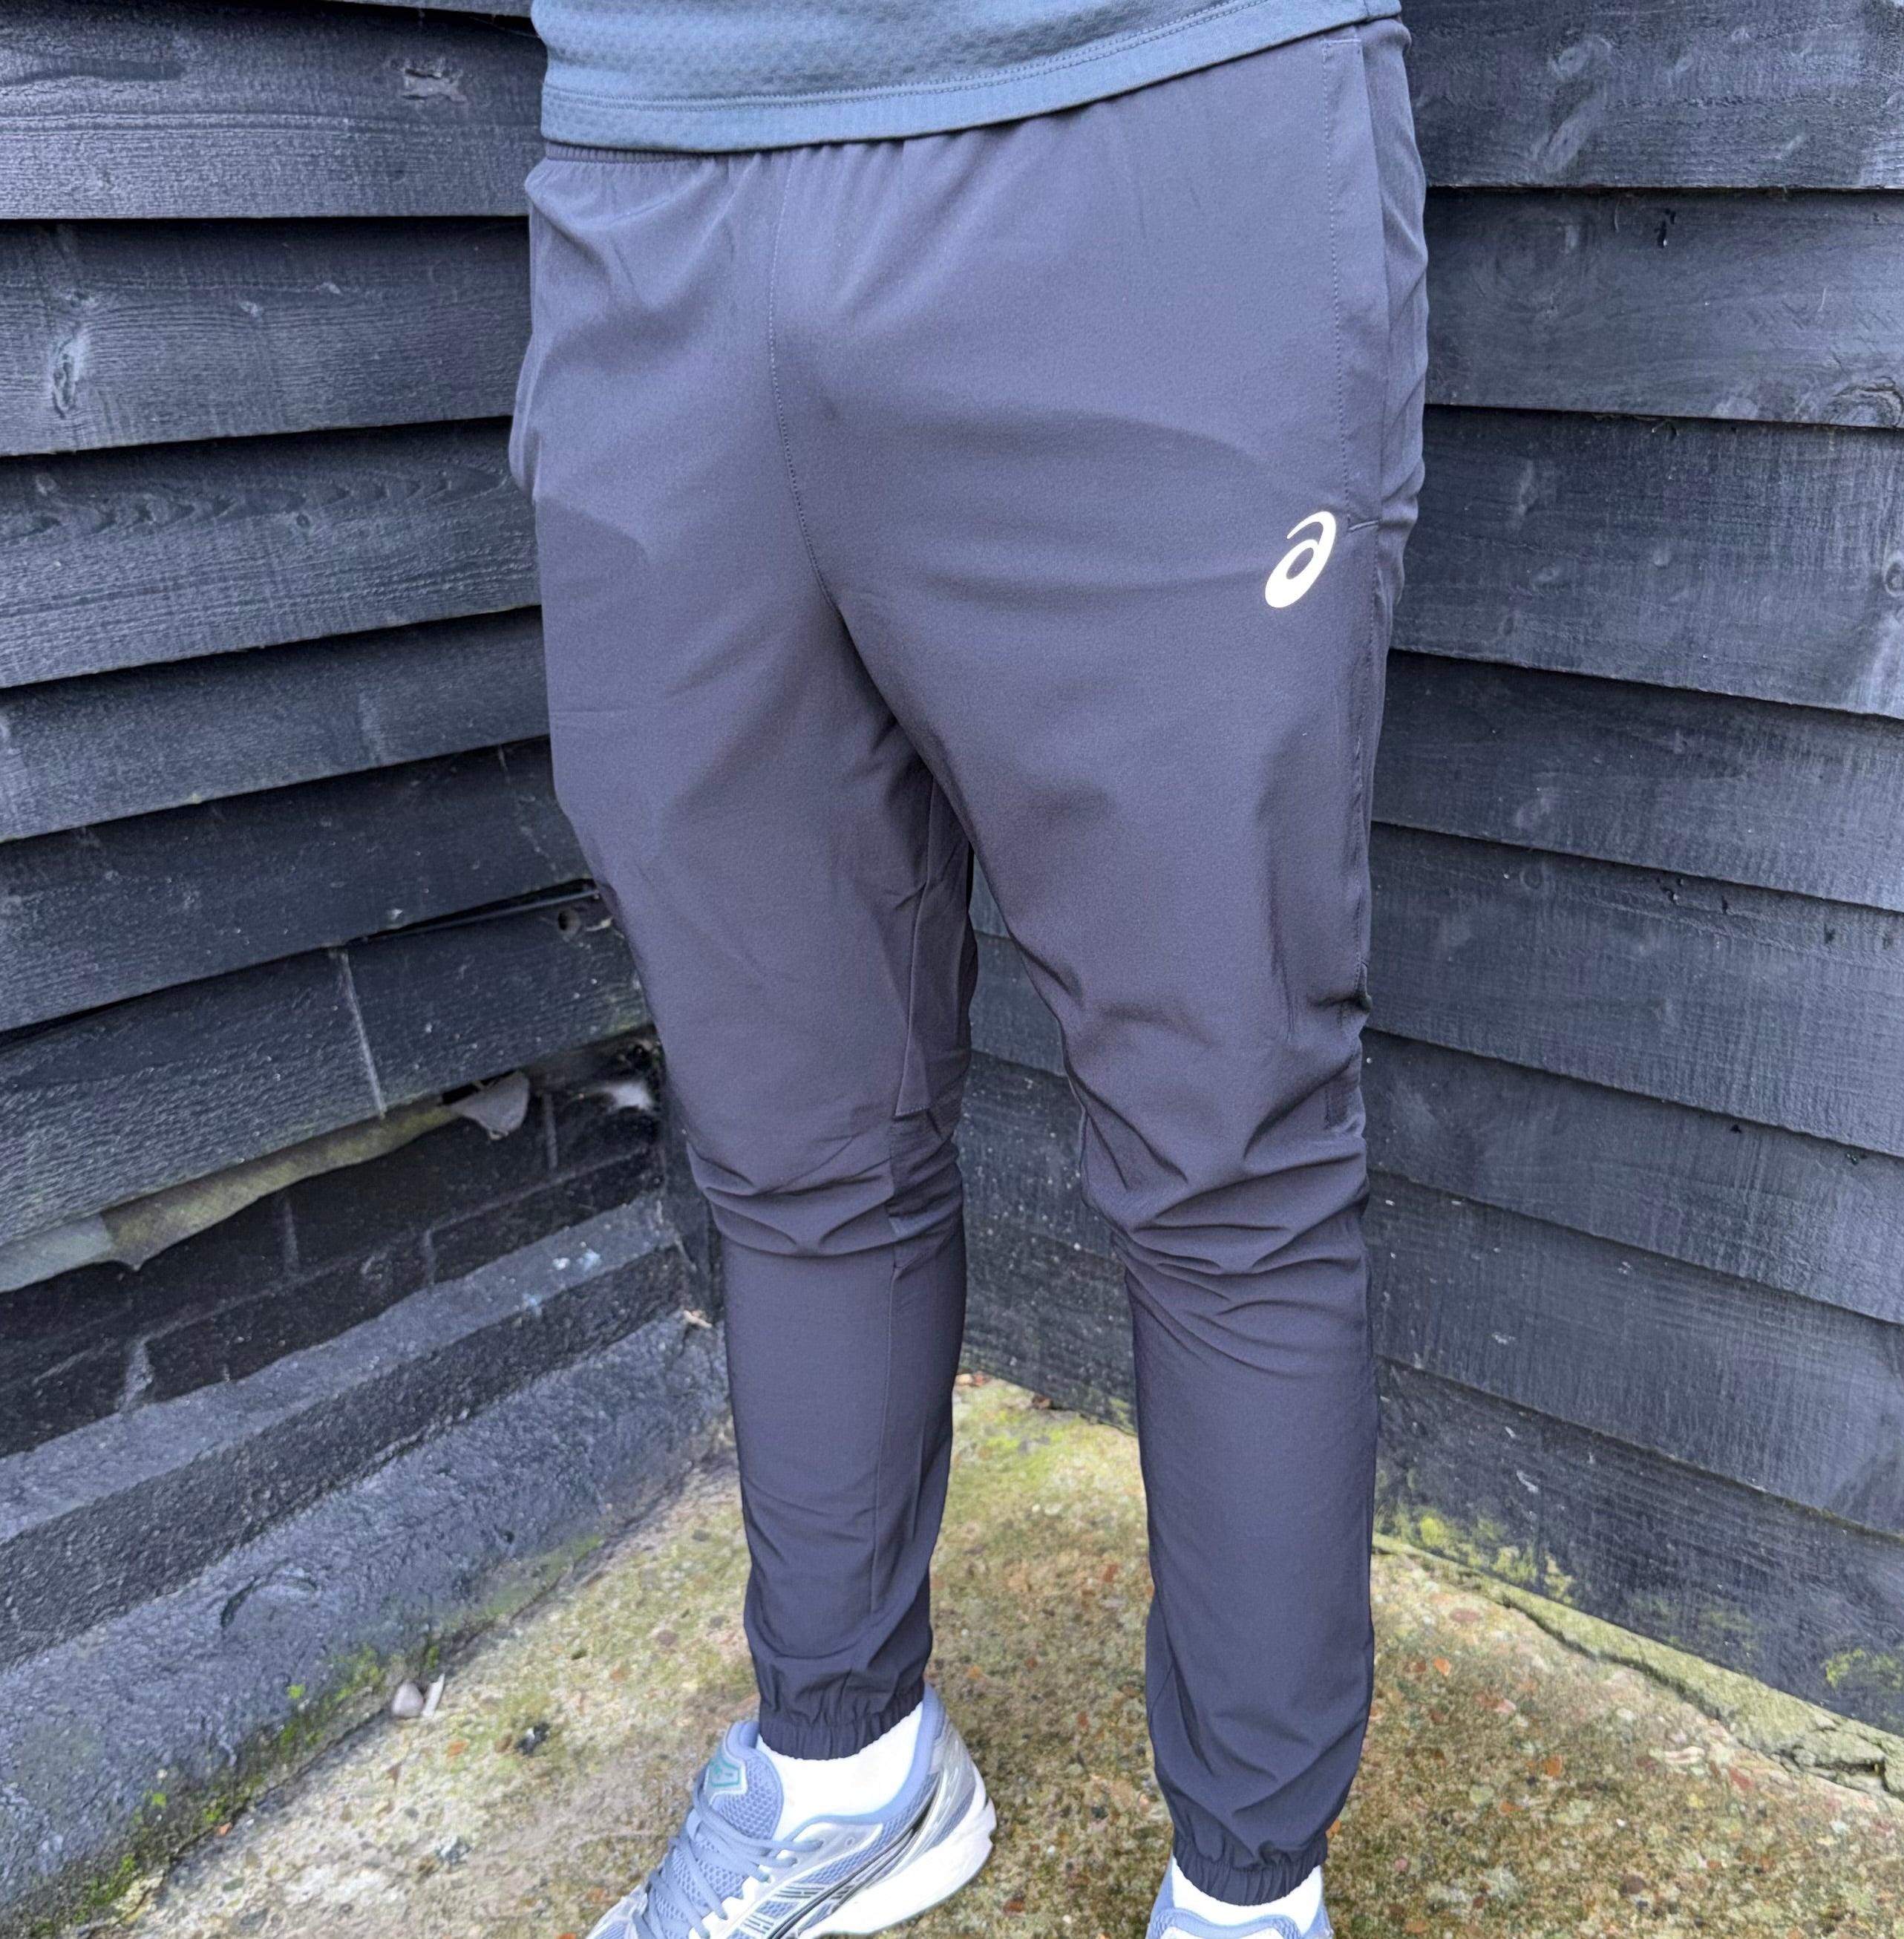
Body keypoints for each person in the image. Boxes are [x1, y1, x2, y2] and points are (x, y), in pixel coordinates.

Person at [508, 0, 1427, 1930]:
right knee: (785, 1117)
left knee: (1224, 1138)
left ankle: (1249, 1890)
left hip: (1140, 140)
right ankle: (849, 1769)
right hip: (651, 187)